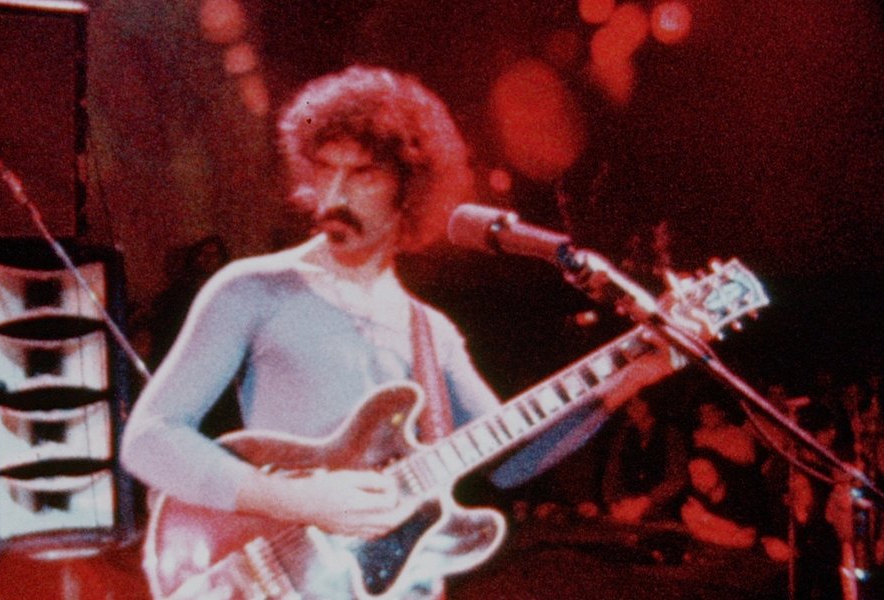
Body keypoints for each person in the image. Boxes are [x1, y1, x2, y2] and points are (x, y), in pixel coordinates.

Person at [121, 65, 676, 598]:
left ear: (408, 189)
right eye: (326, 170)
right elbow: (149, 439)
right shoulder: (253, 290)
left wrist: (634, 376)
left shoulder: (432, 332)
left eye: (362, 174)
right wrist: (299, 501)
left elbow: (512, 462)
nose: (334, 196)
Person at [602, 394, 687, 524]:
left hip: (662, 511)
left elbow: (678, 478)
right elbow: (611, 474)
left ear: (648, 403)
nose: (633, 409)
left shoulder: (670, 433)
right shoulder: (623, 436)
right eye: (629, 405)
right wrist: (613, 503)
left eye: (638, 403)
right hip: (625, 509)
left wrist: (648, 501)